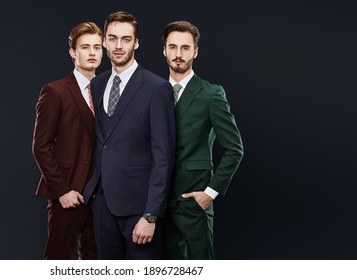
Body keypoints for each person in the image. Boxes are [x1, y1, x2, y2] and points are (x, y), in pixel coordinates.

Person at [82, 11, 175, 259]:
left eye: (125, 39)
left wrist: (151, 214)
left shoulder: (157, 88)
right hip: (102, 203)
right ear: (104, 42)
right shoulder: (97, 84)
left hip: (139, 208)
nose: (118, 46)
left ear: (136, 43)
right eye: (112, 38)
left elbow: (163, 156)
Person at [162, 20, 244, 259]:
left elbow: (234, 149)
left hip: (194, 201)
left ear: (195, 51)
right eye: (173, 47)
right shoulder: (153, 92)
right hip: (159, 203)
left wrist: (210, 193)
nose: (178, 54)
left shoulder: (211, 93)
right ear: (164, 49)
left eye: (185, 48)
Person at [32, 22, 103, 259]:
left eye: (97, 47)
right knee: (57, 259)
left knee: (93, 260)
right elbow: (41, 147)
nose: (92, 52)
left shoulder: (108, 92)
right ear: (73, 52)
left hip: (100, 195)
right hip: (68, 193)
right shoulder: (55, 91)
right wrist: (62, 190)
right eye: (85, 47)